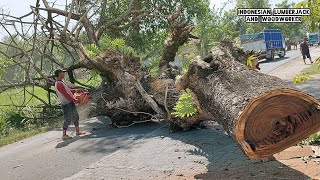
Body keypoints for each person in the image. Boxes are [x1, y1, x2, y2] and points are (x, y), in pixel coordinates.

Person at [54, 69, 86, 140]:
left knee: (75, 116)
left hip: (69, 102)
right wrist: (74, 100)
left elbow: (67, 90)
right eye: (63, 72)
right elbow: (66, 94)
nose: (64, 74)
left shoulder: (61, 82)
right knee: (67, 119)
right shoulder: (59, 83)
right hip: (66, 104)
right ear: (59, 74)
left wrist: (75, 90)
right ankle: (64, 135)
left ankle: (78, 131)